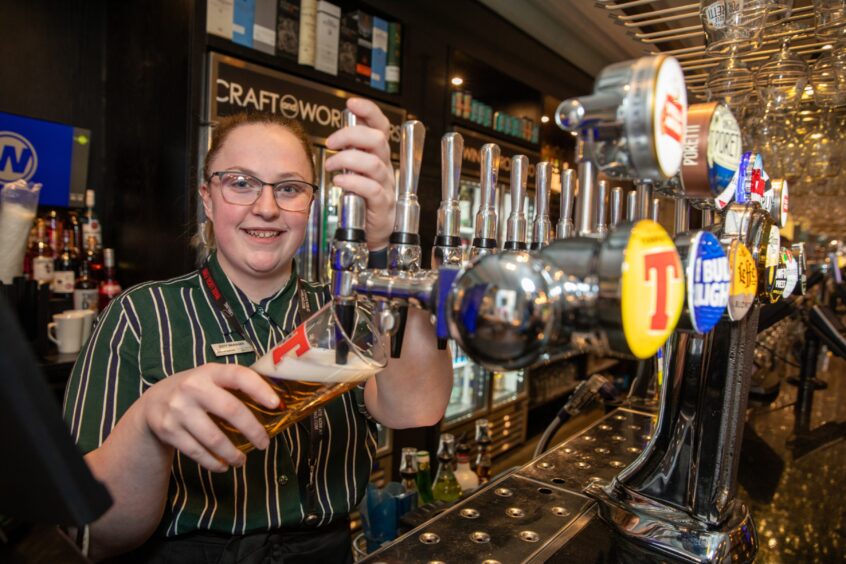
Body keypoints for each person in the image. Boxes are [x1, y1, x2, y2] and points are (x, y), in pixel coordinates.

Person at [62, 98, 454, 563]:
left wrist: (388, 240)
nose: (266, 208)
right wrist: (148, 425)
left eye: (289, 188)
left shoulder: (345, 309)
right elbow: (90, 530)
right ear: (207, 197)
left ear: (312, 202)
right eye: (241, 183)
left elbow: (417, 409)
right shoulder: (141, 315)